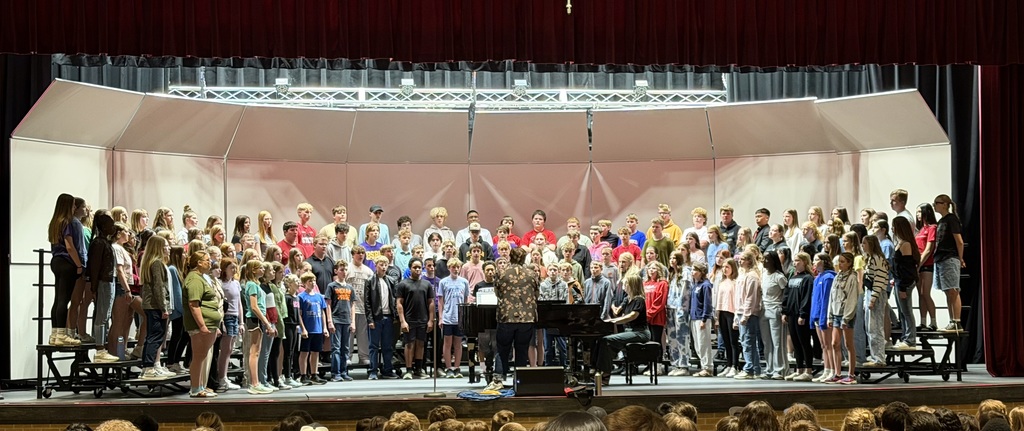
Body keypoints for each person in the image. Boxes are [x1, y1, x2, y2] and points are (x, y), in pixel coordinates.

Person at [487, 247, 540, 391]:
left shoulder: (501, 273)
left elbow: (497, 293)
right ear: (524, 258)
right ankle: (520, 381)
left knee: (502, 348)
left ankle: (498, 379)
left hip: (507, 317)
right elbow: (536, 294)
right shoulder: (532, 273)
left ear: (510, 257)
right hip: (527, 318)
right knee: (522, 349)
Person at [594, 274, 650, 386]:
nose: (623, 285)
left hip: (640, 332)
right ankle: (597, 371)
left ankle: (604, 375)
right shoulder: (627, 299)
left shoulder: (639, 300)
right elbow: (616, 312)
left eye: (625, 283)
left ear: (632, 285)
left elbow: (632, 316)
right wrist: (612, 304)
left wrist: (614, 321)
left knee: (606, 340)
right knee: (601, 340)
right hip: (629, 331)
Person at [47, 194, 87, 346]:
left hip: (56, 261)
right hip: (67, 263)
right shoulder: (67, 222)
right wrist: (79, 265)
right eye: (73, 205)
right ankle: (62, 335)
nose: (74, 208)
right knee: (64, 299)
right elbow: (70, 246)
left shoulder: (54, 222)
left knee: (58, 299)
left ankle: (55, 334)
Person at [184, 250, 224, 397]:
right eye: (207, 260)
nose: (210, 263)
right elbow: (194, 304)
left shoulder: (200, 278)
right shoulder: (194, 279)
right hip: (200, 326)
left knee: (202, 357)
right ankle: (196, 388)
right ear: (199, 263)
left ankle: (201, 385)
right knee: (198, 357)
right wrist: (202, 326)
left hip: (209, 324)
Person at [395, 258, 435, 379]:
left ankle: (418, 369)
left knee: (421, 344)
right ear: (410, 268)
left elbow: (431, 303)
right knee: (409, 344)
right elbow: (399, 303)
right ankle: (408, 370)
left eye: (419, 267)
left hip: (423, 319)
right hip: (409, 319)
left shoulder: (427, 284)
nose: (417, 269)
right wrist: (402, 321)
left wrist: (430, 320)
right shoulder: (403, 284)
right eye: (415, 267)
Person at [139, 236, 172, 379]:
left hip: (152, 305)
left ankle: (148, 366)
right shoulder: (157, 263)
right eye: (166, 245)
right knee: (155, 336)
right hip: (155, 305)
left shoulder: (152, 263)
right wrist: (164, 308)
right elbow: (159, 287)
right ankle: (148, 367)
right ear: (159, 247)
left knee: (153, 336)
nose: (168, 248)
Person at [932, 194, 966, 332]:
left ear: (945, 204)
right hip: (941, 258)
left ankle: (957, 321)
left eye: (937, 203)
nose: (934, 205)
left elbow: (959, 241)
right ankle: (952, 320)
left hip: (950, 257)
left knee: (953, 290)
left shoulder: (951, 219)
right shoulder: (941, 221)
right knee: (947, 291)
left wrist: (960, 258)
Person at [827, 252, 859, 384]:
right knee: (834, 343)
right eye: (839, 261)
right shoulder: (837, 277)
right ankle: (837, 373)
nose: (840, 264)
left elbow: (852, 298)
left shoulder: (852, 278)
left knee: (848, 344)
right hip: (836, 313)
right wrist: (829, 316)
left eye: (842, 262)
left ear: (849, 263)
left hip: (846, 314)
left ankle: (851, 374)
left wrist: (847, 317)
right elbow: (832, 297)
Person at [782, 252, 815, 381]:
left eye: (797, 261)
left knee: (804, 342)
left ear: (804, 262)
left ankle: (808, 370)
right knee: (795, 342)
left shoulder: (808, 278)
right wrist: (785, 311)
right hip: (791, 314)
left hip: (801, 315)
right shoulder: (792, 278)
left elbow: (806, 298)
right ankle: (799, 369)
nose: (795, 263)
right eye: (794, 261)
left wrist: (803, 314)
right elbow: (786, 295)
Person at [365, 256, 399, 379]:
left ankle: (387, 370)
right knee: (373, 346)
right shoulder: (370, 281)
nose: (384, 267)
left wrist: (395, 315)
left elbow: (395, 298)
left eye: (385, 265)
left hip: (388, 317)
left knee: (387, 346)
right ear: (376, 266)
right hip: (376, 317)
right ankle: (373, 370)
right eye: (381, 264)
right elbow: (367, 302)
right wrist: (370, 319)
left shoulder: (391, 280)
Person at [892, 216, 921, 350]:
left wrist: (903, 287)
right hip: (899, 281)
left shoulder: (906, 244)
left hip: (904, 282)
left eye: (894, 226)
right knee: (902, 312)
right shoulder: (900, 243)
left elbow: (907, 268)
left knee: (907, 311)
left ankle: (910, 340)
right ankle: (905, 337)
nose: (892, 228)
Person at [861, 235, 890, 367]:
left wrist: (873, 298)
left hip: (876, 294)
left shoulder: (877, 259)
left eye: (865, 243)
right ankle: (875, 356)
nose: (863, 246)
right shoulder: (870, 259)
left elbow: (879, 279)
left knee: (875, 327)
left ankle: (879, 358)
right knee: (870, 327)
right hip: (870, 292)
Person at [733, 252, 763, 379]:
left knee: (748, 342)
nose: (740, 261)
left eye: (743, 259)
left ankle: (749, 368)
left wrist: (746, 315)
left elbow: (751, 297)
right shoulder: (742, 275)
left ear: (750, 261)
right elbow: (738, 297)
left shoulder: (752, 276)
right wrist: (736, 315)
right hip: (741, 311)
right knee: (746, 341)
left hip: (749, 314)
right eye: (740, 259)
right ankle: (756, 369)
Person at [438, 259, 469, 378]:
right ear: (449, 268)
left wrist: (465, 316)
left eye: (457, 267)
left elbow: (466, 300)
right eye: (453, 267)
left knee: (458, 343)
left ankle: (457, 367)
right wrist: (441, 317)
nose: (455, 269)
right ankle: (448, 367)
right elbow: (440, 301)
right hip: (448, 317)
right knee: (447, 343)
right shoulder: (443, 282)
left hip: (459, 317)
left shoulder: (464, 282)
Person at [760, 251, 788, 380]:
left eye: (767, 259)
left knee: (777, 342)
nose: (764, 261)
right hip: (764, 309)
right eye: (763, 258)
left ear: (773, 261)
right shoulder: (764, 274)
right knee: (767, 342)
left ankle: (780, 369)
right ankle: (769, 368)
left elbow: (786, 294)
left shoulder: (779, 277)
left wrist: (784, 311)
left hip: (775, 309)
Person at [298, 272, 329, 385]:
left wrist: (324, 327)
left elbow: (322, 312)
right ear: (304, 283)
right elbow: (299, 314)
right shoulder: (301, 297)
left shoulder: (319, 297)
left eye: (314, 281)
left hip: (318, 328)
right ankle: (303, 375)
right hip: (307, 329)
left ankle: (314, 374)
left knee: (316, 352)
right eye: (310, 281)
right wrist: (303, 328)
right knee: (304, 352)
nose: (312, 283)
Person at [327, 260, 356, 382]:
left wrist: (353, 321)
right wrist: (330, 321)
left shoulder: (350, 287)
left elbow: (352, 305)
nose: (344, 272)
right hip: (336, 319)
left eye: (345, 270)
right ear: (336, 271)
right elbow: (328, 304)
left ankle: (344, 371)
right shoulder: (332, 286)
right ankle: (335, 373)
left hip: (347, 321)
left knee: (345, 348)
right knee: (336, 348)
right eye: (341, 270)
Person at [809, 253, 836, 383]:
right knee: (823, 345)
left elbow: (826, 299)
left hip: (823, 316)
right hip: (816, 315)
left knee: (828, 344)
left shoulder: (829, 277)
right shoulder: (817, 278)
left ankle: (832, 370)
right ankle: (826, 369)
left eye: (816, 260)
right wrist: (812, 317)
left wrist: (824, 317)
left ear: (824, 261)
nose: (814, 262)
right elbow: (814, 299)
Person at [665, 251, 692, 376]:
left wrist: (682, 309)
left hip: (680, 308)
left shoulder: (685, 272)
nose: (672, 260)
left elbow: (685, 292)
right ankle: (675, 363)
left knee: (682, 336)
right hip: (671, 307)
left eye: (674, 258)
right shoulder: (671, 274)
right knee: (672, 337)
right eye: (670, 258)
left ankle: (684, 365)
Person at [687, 261, 714, 377]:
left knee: (704, 343)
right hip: (694, 317)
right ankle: (704, 366)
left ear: (701, 272)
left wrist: (704, 319)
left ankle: (708, 367)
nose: (692, 272)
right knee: (697, 345)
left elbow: (707, 304)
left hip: (701, 318)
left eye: (695, 270)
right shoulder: (695, 285)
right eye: (692, 270)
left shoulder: (706, 285)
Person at [915, 203, 939, 331]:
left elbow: (929, 249)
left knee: (926, 293)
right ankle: (923, 321)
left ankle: (933, 321)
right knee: (920, 294)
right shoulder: (920, 230)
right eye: (917, 212)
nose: (918, 215)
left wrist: (919, 264)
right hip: (918, 263)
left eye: (920, 212)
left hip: (927, 264)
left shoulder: (932, 228)